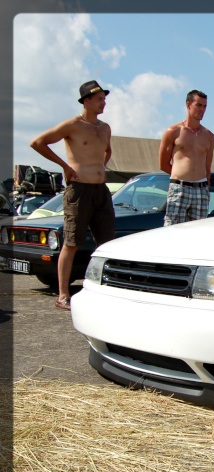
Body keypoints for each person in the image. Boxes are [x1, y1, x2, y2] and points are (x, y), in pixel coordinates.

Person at [30, 80, 114, 311]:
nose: (103, 102)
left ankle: (106, 290)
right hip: (79, 191)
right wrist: (65, 166)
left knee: (107, 245)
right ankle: (63, 295)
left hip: (101, 191)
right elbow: (38, 142)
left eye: (104, 98)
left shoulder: (105, 128)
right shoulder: (73, 125)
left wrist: (100, 167)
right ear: (86, 101)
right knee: (72, 243)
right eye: (99, 99)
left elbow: (107, 150)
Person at [159, 89, 214, 226]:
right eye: (198, 105)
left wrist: (204, 185)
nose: (202, 109)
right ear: (188, 105)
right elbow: (163, 164)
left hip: (200, 189)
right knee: (172, 230)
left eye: (204, 106)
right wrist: (181, 176)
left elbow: (207, 167)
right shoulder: (173, 132)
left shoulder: (208, 136)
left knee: (198, 232)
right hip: (180, 187)